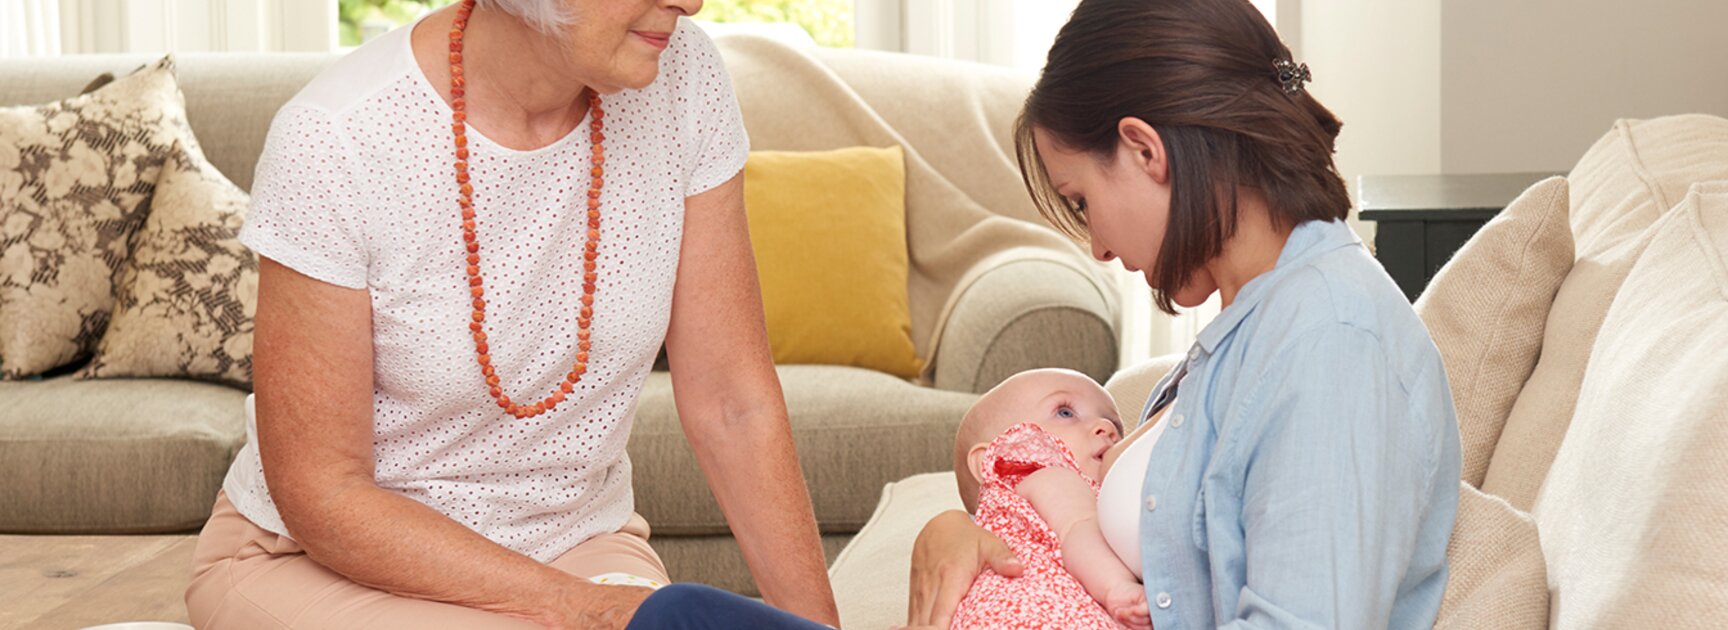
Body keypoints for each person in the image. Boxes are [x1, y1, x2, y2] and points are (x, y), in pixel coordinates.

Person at [183, 0, 839, 628]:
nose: (691, 2)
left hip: (576, 546)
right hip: (315, 560)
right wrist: (581, 610)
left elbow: (733, 404)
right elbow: (324, 495)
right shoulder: (338, 136)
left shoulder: (682, 78)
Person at [905, 0, 1463, 627]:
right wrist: (959, 525)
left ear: (1145, 150)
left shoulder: (1330, 344)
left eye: (1082, 201)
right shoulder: (1258, 324)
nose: (1099, 247)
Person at [949, 369, 1148, 630]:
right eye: (1065, 413)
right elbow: (1079, 529)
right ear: (995, 457)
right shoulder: (1048, 476)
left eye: (1116, 426)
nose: (1107, 428)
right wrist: (1118, 587)